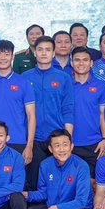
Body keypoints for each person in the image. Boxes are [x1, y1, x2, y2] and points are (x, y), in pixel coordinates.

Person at [24, 129, 94, 209]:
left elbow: (81, 201)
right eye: (57, 145)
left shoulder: (81, 166)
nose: (62, 149)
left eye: (65, 144)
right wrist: (26, 196)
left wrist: (55, 208)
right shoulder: (45, 165)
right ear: (50, 149)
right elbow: (44, 193)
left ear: (72, 146)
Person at [0, 40, 36, 187]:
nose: (3, 58)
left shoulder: (23, 82)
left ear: (12, 57)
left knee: (17, 187)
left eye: (6, 54)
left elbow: (31, 116)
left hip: (18, 142)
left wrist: (29, 146)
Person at [22, 36, 74, 189]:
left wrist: (68, 140)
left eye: (48, 50)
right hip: (33, 139)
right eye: (40, 49)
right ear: (34, 53)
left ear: (53, 53)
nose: (44, 53)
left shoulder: (64, 78)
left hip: (57, 138)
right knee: (34, 183)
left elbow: (68, 109)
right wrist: (28, 143)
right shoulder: (25, 78)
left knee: (59, 183)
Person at [70, 47, 105, 178]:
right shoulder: (65, 84)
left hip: (94, 144)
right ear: (72, 63)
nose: (81, 63)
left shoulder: (101, 86)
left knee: (94, 185)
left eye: (85, 60)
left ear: (91, 63)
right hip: (70, 144)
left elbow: (103, 115)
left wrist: (104, 139)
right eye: (77, 60)